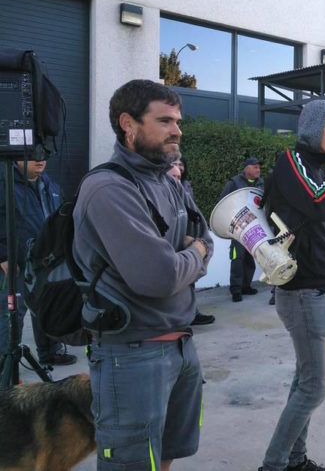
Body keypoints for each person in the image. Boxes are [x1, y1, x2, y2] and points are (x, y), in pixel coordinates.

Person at [73, 79, 213, 470]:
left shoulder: (168, 181)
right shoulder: (108, 189)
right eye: (165, 120)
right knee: (133, 464)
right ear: (128, 124)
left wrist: (192, 251)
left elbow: (205, 236)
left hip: (182, 346)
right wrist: (195, 253)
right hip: (132, 355)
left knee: (166, 455)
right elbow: (159, 277)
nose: (177, 130)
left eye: (178, 121)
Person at [259, 99, 325, 471]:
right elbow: (317, 200)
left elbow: (324, 213)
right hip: (304, 291)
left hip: (324, 288)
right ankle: (273, 465)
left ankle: (295, 460)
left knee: (305, 380)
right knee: (315, 386)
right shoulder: (291, 162)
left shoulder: (320, 167)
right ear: (313, 127)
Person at [0, 159, 77, 366]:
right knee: (10, 314)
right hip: (13, 263)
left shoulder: (51, 186)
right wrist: (4, 255)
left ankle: (49, 352)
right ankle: (5, 364)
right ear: (18, 156)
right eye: (33, 154)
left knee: (45, 304)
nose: (40, 160)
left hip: (43, 260)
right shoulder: (4, 183)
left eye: (43, 155)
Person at [169, 159, 215, 326]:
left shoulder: (185, 184)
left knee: (190, 279)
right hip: (177, 239)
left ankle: (191, 312)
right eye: (173, 164)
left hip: (188, 232)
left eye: (180, 164)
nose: (178, 168)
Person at [220, 157, 265, 302]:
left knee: (250, 257)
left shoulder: (261, 183)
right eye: (255, 166)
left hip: (254, 227)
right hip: (237, 228)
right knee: (237, 258)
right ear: (246, 169)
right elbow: (223, 202)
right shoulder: (233, 183)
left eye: (259, 167)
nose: (258, 169)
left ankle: (246, 286)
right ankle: (236, 290)